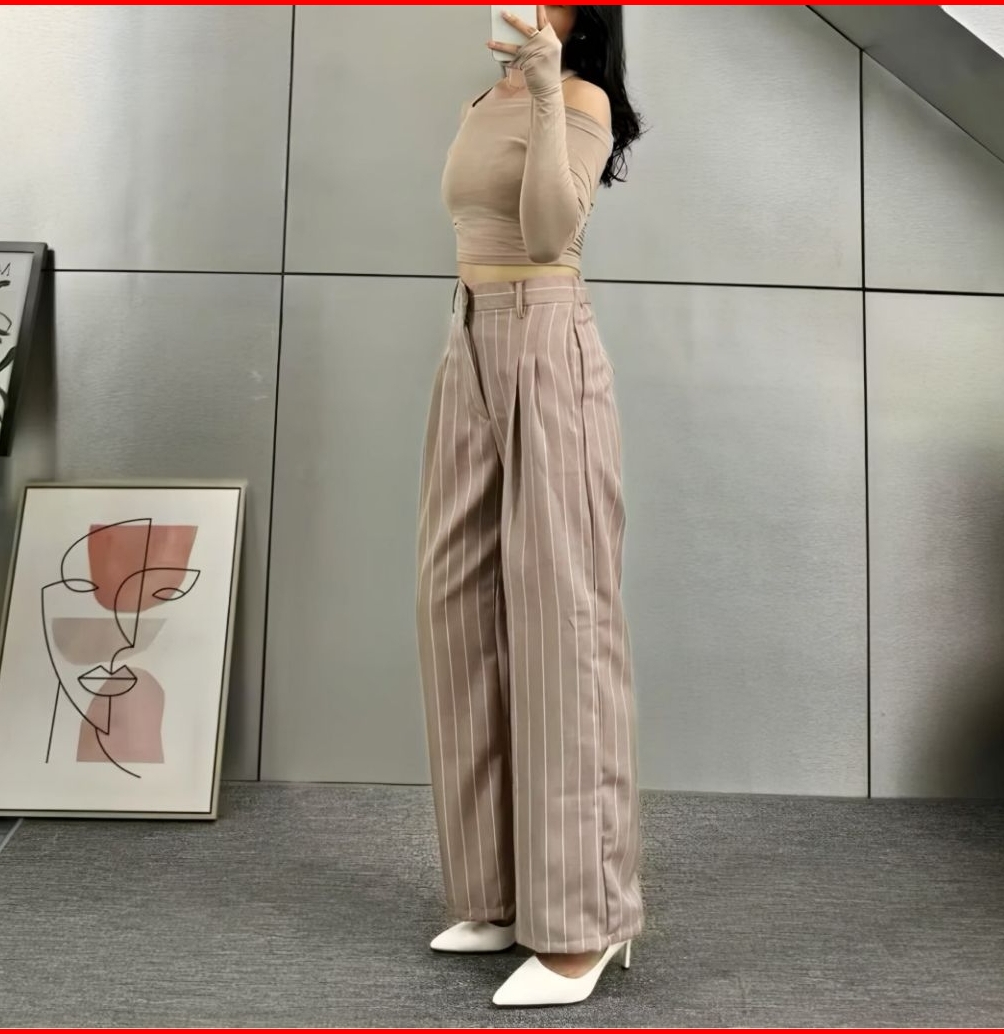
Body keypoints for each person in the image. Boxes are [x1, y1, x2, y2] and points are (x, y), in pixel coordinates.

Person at [416, 4, 644, 1008]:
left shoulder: (579, 98)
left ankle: (584, 923)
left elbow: (553, 231)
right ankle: (497, 891)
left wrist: (552, 89)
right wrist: (524, 88)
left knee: (562, 622)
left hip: (546, 342)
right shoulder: (483, 97)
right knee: (455, 609)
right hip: (468, 339)